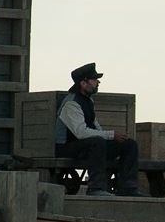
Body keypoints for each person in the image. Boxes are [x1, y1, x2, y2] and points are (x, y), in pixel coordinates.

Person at [55, 62, 140, 197]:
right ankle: (96, 188)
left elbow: (95, 126)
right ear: (83, 83)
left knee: (129, 144)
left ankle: (128, 188)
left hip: (86, 145)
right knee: (97, 142)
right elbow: (81, 132)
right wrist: (111, 135)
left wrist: (113, 138)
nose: (98, 82)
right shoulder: (72, 103)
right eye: (94, 79)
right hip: (67, 147)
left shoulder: (88, 101)